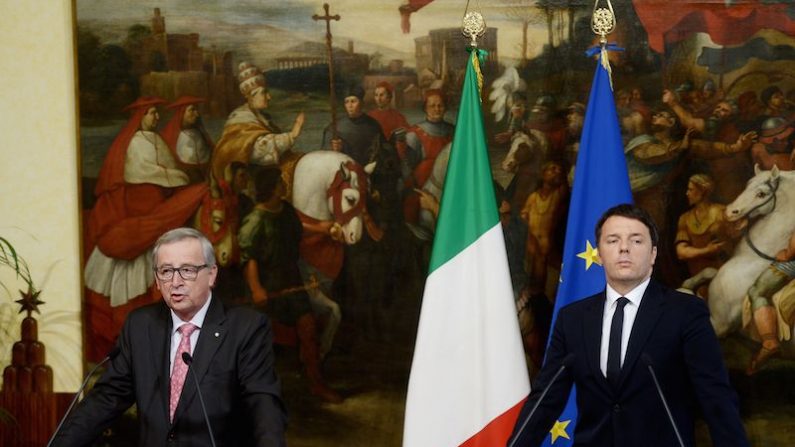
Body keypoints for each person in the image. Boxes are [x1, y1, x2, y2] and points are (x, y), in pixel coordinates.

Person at [508, 204, 749, 447]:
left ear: (653, 254)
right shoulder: (573, 319)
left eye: (636, 241)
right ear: (600, 254)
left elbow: (716, 398)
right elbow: (545, 400)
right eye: (613, 240)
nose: (624, 248)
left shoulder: (685, 311)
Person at [53, 228, 286, 446]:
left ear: (211, 274)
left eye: (187, 270)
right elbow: (106, 398)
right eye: (166, 271)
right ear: (156, 279)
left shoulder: (246, 328)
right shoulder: (141, 325)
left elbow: (263, 403)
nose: (175, 282)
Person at [83, 96, 208, 362]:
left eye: (156, 113)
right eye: (151, 113)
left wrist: (176, 176)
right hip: (142, 206)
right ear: (140, 117)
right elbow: (146, 172)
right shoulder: (137, 142)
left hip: (158, 201)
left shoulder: (157, 140)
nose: (156, 117)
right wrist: (178, 177)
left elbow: (168, 167)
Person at [239, 167, 342, 403]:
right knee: (257, 340)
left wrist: (321, 229)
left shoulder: (285, 211)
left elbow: (297, 228)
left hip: (291, 280)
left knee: (307, 327)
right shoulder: (255, 220)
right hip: (267, 287)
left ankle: (316, 383)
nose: (284, 184)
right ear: (272, 187)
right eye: (280, 181)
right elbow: (249, 258)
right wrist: (256, 289)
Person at [161, 95, 214, 183]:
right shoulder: (170, 136)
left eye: (197, 110)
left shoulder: (200, 133)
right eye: (192, 110)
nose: (197, 114)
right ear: (182, 113)